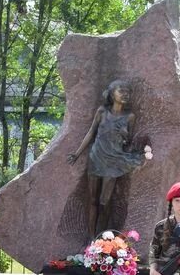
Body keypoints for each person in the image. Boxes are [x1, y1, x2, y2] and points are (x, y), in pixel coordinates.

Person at [66, 79, 153, 236]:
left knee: (104, 201)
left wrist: (125, 136)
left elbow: (128, 143)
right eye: (121, 91)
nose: (125, 94)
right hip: (96, 157)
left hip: (114, 160)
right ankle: (92, 237)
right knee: (93, 200)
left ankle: (102, 235)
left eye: (128, 92)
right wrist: (77, 153)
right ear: (112, 94)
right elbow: (91, 132)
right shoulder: (102, 112)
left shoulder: (130, 117)